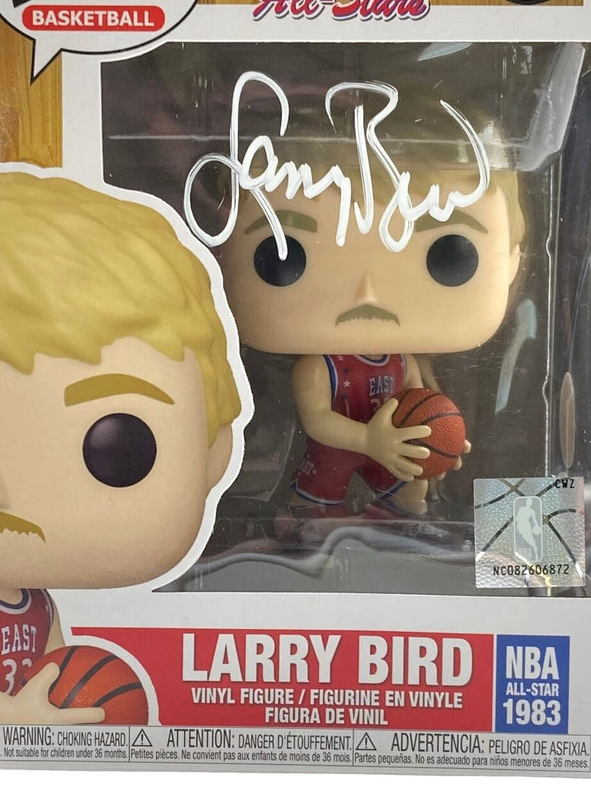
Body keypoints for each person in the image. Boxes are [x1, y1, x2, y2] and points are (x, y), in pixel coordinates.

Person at [0, 173, 241, 722]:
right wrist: (11, 716)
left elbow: (55, 662)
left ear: (212, 455)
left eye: (116, 449)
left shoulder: (36, 603)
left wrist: (80, 704)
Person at [218, 145, 523, 529]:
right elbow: (317, 421)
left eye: (448, 255)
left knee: (412, 491)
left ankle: (409, 535)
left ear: (512, 261)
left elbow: (424, 403)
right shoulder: (318, 368)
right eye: (285, 253)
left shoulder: (403, 363)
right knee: (311, 510)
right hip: (338, 450)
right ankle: (305, 536)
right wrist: (368, 441)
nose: (368, 293)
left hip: (391, 450)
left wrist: (439, 441)